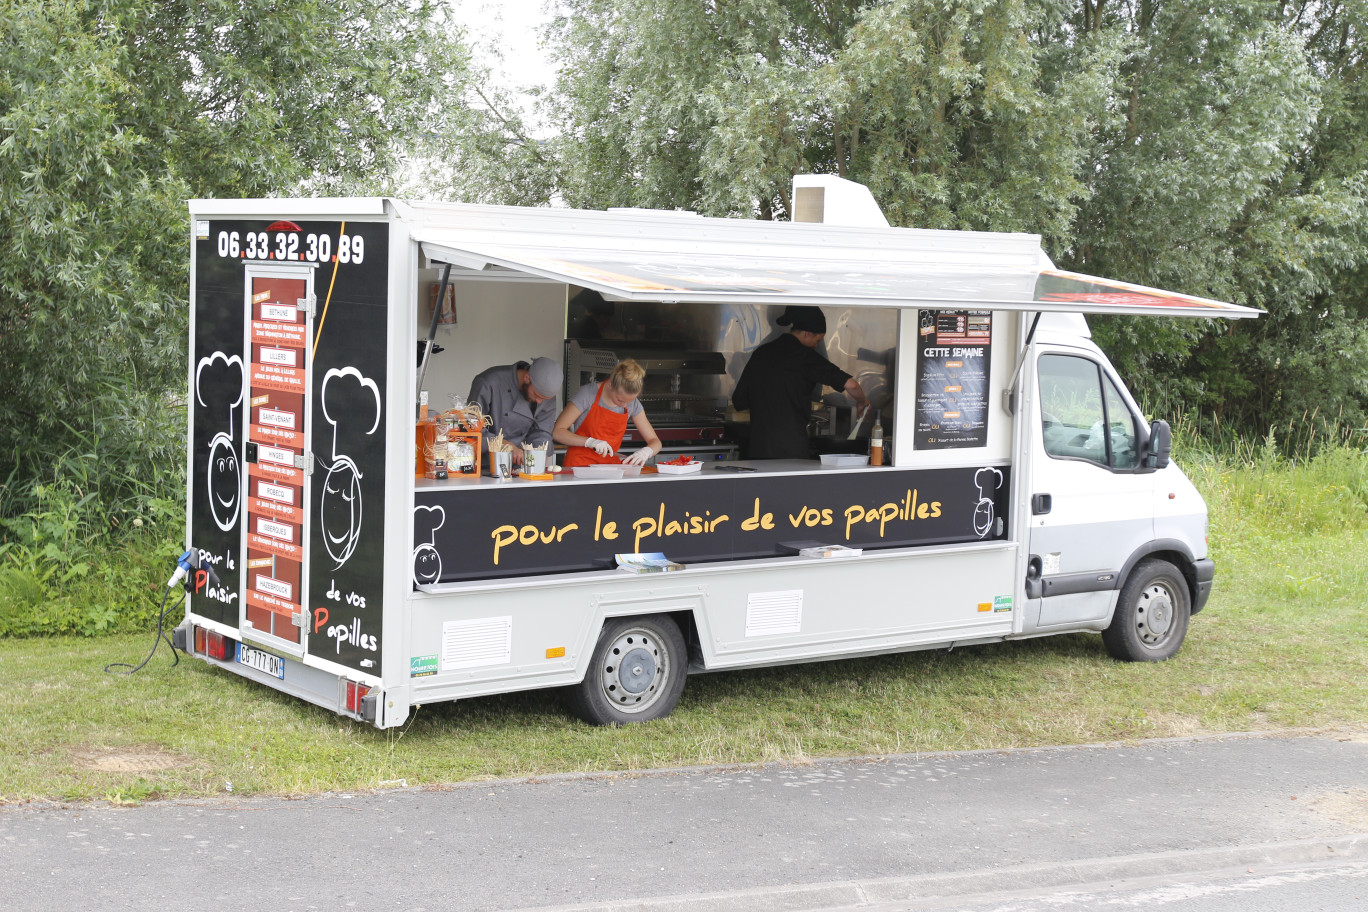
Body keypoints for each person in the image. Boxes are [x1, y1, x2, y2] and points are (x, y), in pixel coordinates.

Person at [732, 305, 870, 459]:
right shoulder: (806, 357)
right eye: (818, 340)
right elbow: (851, 385)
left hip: (758, 447)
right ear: (807, 334)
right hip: (791, 448)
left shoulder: (761, 353)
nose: (817, 345)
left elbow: (739, 400)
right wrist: (862, 401)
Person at [554, 359, 664, 468]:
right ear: (610, 385)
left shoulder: (632, 404)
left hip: (610, 468)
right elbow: (558, 432)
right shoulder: (587, 395)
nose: (625, 405)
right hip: (579, 467)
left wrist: (646, 452)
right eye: (620, 400)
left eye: (629, 401)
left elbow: (655, 441)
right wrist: (589, 442)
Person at [468, 356, 561, 468]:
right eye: (537, 395)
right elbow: (472, 428)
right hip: (482, 464)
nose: (540, 402)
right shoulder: (489, 382)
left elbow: (542, 431)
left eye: (544, 399)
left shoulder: (545, 395)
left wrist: (539, 452)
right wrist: (507, 446)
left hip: (516, 466)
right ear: (527, 378)